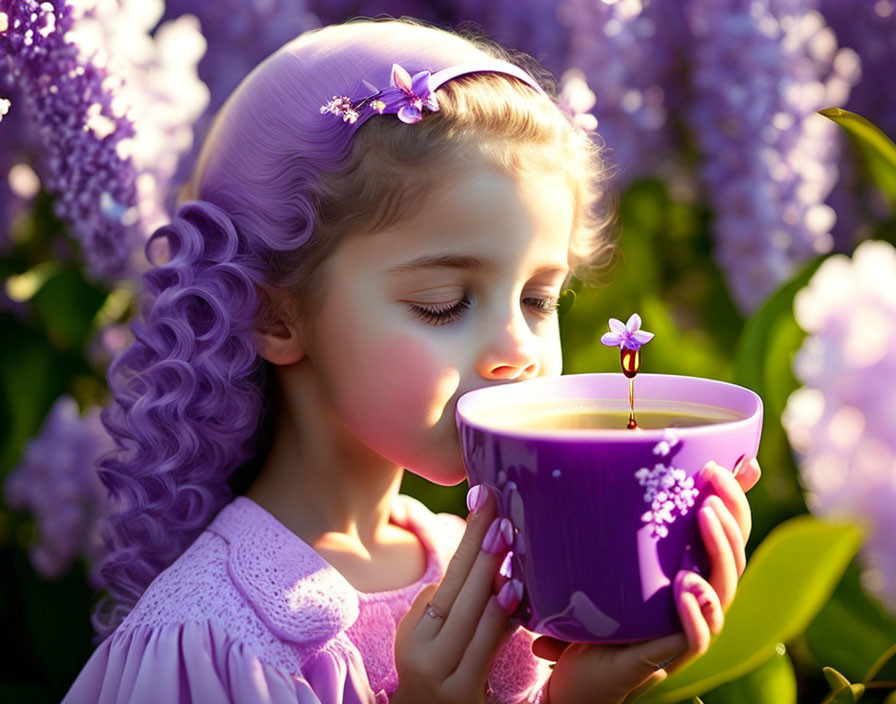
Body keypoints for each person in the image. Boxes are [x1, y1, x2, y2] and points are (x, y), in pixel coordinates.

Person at [62, 16, 761, 704]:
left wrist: (581, 693)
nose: (518, 350)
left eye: (540, 299)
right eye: (444, 302)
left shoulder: (478, 564)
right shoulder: (210, 637)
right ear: (275, 313)